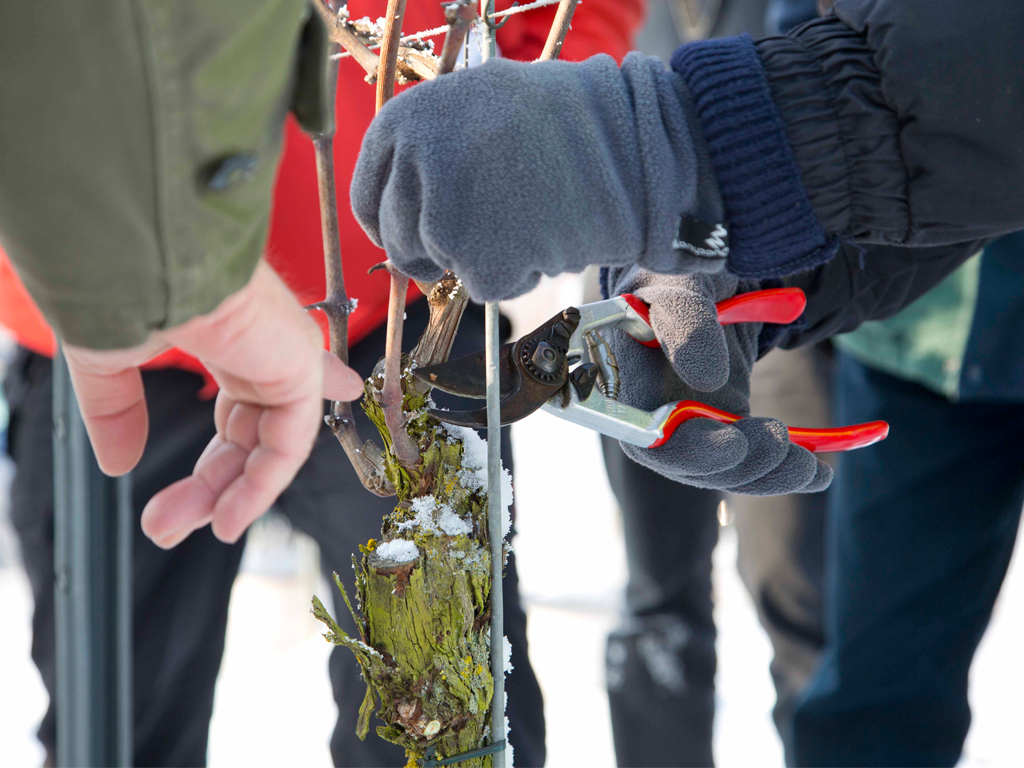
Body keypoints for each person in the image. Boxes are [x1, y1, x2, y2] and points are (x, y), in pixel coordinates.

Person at [0, 1, 641, 764]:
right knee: (111, 731)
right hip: (107, 333)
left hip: (400, 313)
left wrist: (519, 125)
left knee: (443, 726)